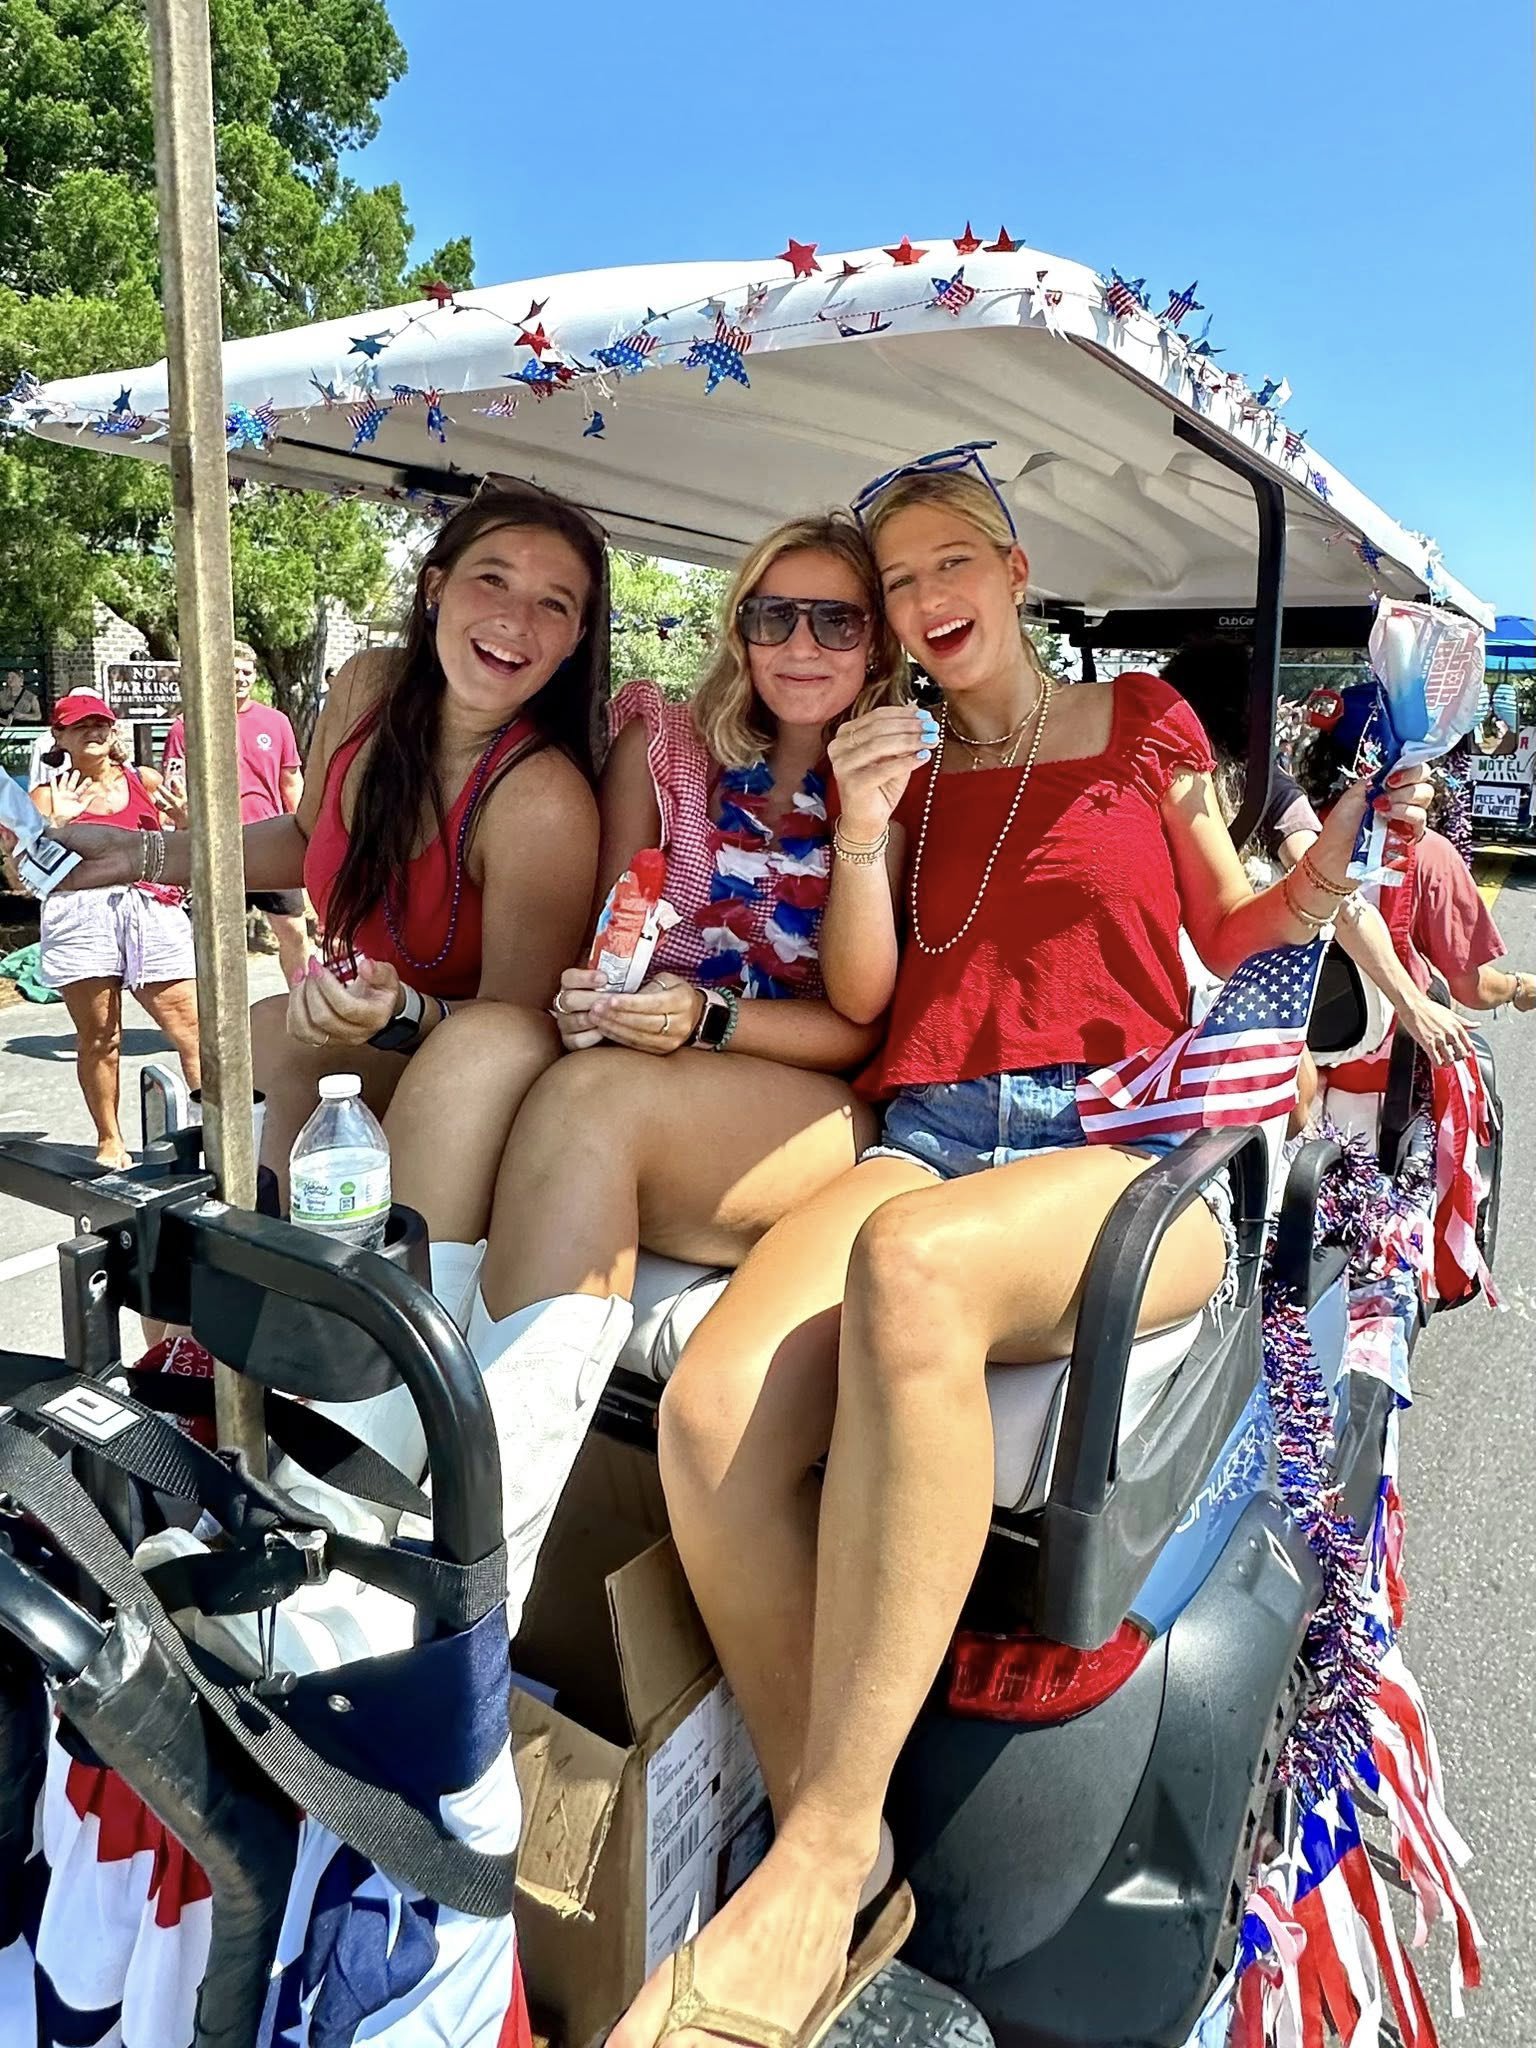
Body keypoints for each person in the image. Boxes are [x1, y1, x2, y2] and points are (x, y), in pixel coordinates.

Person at [615, 452, 1434, 2048]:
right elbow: (868, 995)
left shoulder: (1141, 724)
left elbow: (1232, 930)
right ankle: (830, 1851)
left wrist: (1335, 860)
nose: (924, 605)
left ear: (1012, 566)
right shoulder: (897, 761)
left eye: (947, 568)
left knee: (913, 1271)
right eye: (898, 586)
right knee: (712, 1418)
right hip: (925, 1125)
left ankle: (824, 1856)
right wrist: (861, 824)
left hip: (1120, 1139)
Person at [378, 512, 908, 1616]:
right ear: (741, 628)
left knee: (591, 1102)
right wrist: (602, 995)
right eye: (774, 615)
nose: (800, 644)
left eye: (835, 620)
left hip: (815, 1102)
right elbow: (616, 941)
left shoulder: (901, 782)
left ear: (879, 644)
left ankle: (472, 1589)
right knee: (486, 1049)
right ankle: (364, 1474)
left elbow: (860, 1021)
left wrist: (704, 1020)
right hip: (660, 1061)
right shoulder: (665, 749)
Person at [40, 479, 609, 1198]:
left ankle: (251, 1283)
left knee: (284, 1045)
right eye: (491, 578)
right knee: (259, 1040)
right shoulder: (368, 685)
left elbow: (511, 1033)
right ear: (436, 587)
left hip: (456, 1084)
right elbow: (309, 837)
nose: (515, 619)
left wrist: (399, 1012)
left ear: (575, 638)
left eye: (553, 603)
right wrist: (139, 854)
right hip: (348, 1041)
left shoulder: (544, 799)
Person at [1164, 636, 1475, 1072]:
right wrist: (1410, 1001)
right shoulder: (1263, 789)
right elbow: (1338, 897)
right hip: (1221, 1009)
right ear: (1249, 713)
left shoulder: (1147, 782)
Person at [1293, 701, 1536, 1118]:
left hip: (1291, 1065)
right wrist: (1516, 988)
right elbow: (1470, 988)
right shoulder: (1430, 854)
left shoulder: (1294, 835)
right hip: (1383, 1077)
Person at [24, 693, 199, 1167]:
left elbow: (185, 849)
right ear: (58, 737)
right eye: (81, 726)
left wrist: (185, 823)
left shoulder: (147, 781)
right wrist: (51, 825)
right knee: (101, 1037)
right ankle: (110, 1141)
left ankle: (222, 1137)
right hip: (81, 916)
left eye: (101, 723)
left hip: (150, 908)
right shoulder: (45, 795)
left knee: (194, 1031)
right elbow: (23, 879)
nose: (95, 732)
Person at [162, 641, 310, 984]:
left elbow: (291, 781)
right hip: (217, 847)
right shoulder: (188, 726)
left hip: (271, 842)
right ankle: (224, 1027)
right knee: (219, 943)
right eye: (232, 671)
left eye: (247, 672)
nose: (240, 678)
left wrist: (307, 832)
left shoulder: (276, 722)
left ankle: (303, 1009)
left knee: (294, 934)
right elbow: (174, 785)